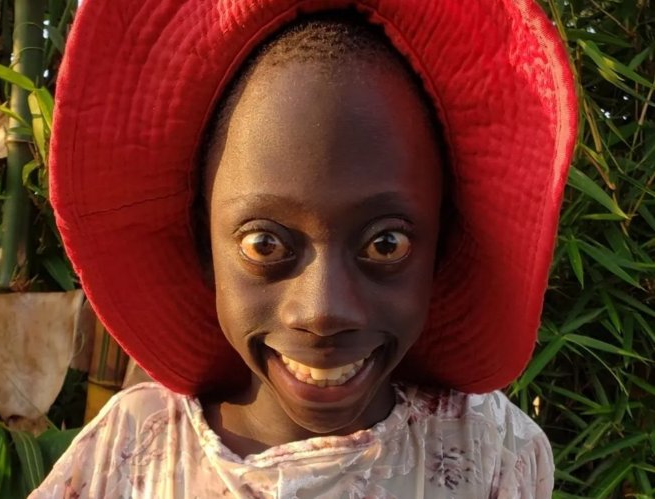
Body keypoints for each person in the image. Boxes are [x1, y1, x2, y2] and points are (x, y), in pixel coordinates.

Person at [32, 0, 577, 497]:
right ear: (204, 245)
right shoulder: (130, 450)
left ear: (440, 246)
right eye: (265, 244)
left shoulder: (491, 451)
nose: (322, 310)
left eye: (385, 244)